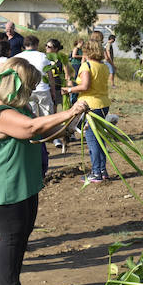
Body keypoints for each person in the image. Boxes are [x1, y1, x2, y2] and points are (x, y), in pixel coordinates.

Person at [0, 57, 88, 285]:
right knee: (10, 239)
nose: (30, 92)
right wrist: (69, 112)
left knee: (21, 237)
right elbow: (29, 128)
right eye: (29, 86)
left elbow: (42, 132)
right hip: (4, 184)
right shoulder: (0, 111)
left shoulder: (20, 107)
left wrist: (72, 124)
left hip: (23, 182)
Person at [62, 40, 110, 183]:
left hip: (90, 106)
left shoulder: (87, 65)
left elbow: (85, 86)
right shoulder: (103, 66)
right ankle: (102, 170)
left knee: (92, 140)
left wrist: (68, 89)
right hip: (103, 104)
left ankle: (96, 173)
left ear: (87, 51)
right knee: (100, 139)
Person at [16, 36, 57, 118]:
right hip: (43, 89)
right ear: (36, 44)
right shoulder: (44, 56)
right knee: (47, 117)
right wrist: (53, 91)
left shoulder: (17, 57)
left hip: (26, 91)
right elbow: (50, 76)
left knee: (31, 117)